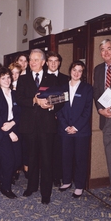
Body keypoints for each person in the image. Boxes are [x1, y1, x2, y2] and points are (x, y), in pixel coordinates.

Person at [16, 48, 61, 204]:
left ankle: (46, 192)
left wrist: (50, 105)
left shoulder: (53, 79)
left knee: (47, 160)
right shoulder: (23, 79)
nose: (32, 62)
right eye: (30, 60)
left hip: (47, 126)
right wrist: (34, 101)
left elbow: (61, 100)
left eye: (36, 60)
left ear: (43, 62)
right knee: (32, 158)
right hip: (29, 125)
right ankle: (31, 186)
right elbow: (19, 99)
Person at [57, 61, 93, 198]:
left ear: (82, 74)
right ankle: (66, 181)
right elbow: (58, 110)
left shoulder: (87, 89)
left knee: (80, 159)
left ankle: (79, 185)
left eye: (80, 71)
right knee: (65, 157)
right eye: (74, 70)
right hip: (65, 129)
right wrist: (66, 126)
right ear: (70, 70)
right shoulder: (61, 88)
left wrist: (76, 127)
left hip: (81, 131)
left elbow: (87, 111)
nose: (76, 73)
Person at [93, 39, 111, 199]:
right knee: (110, 153)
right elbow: (96, 92)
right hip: (106, 118)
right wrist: (101, 110)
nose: (106, 52)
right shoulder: (97, 69)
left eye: (109, 49)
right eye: (102, 50)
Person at [0, 67, 21, 199]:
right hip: (2, 131)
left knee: (17, 161)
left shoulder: (15, 94)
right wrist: (9, 131)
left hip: (13, 126)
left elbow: (20, 113)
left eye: (8, 77)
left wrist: (13, 124)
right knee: (9, 161)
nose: (6, 80)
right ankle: (6, 188)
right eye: (3, 78)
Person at [46, 51, 69, 187]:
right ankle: (46, 176)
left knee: (58, 149)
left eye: (56, 61)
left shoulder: (66, 79)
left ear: (59, 63)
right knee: (45, 150)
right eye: (51, 61)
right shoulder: (41, 77)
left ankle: (56, 176)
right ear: (47, 63)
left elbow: (66, 99)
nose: (53, 63)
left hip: (60, 119)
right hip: (44, 119)